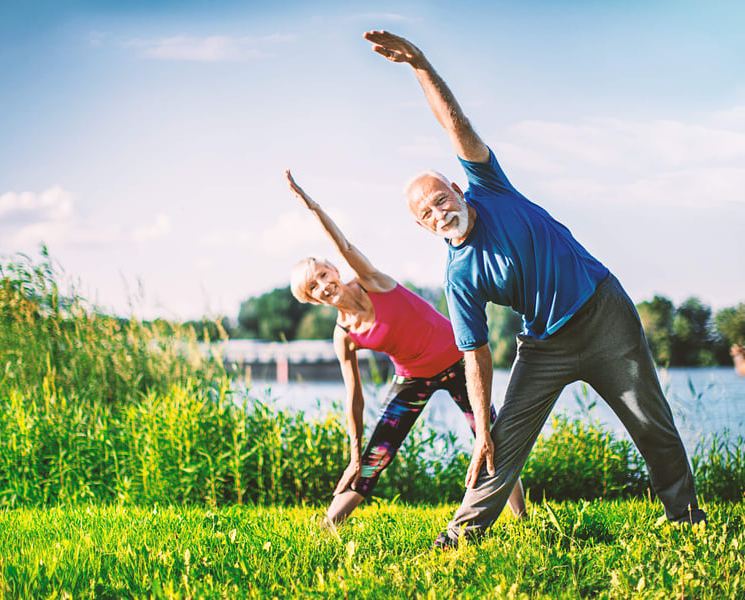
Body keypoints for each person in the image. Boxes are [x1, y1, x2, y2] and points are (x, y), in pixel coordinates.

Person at [363, 30, 707, 548]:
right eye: (427, 213)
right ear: (423, 226)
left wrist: (420, 64)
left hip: (604, 315)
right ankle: (458, 536)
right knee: (497, 444)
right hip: (544, 345)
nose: (440, 212)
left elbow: (455, 125)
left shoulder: (490, 186)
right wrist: (481, 423)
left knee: (650, 424)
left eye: (441, 198)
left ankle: (687, 519)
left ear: (457, 189)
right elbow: (474, 355)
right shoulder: (460, 276)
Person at [285, 169, 526, 527]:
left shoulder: (372, 282)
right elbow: (354, 397)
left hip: (460, 362)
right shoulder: (344, 335)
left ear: (334, 270)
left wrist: (313, 207)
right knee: (374, 458)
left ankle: (522, 520)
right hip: (413, 379)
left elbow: (345, 246)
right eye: (313, 287)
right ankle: (327, 526)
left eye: (323, 275)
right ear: (312, 300)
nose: (323, 285)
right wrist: (354, 455)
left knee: (489, 435)